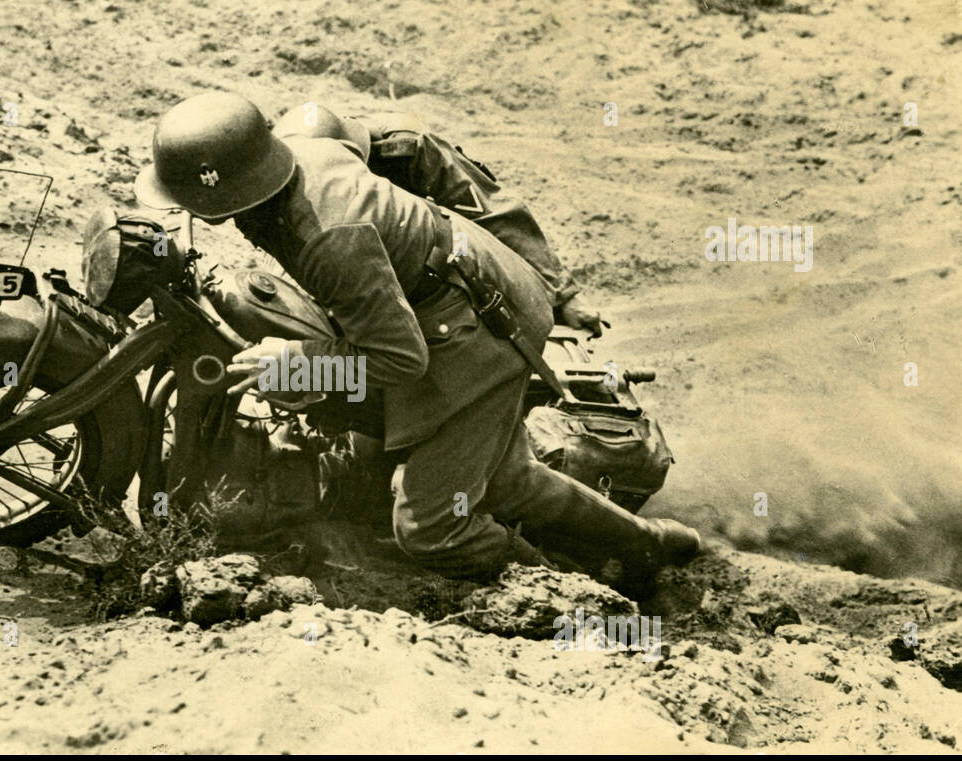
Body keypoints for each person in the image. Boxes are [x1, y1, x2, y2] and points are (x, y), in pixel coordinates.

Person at [134, 91, 700, 585]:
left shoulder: (331, 239)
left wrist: (295, 364)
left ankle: (552, 588)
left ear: (220, 197)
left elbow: (399, 358)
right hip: (464, 293)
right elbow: (407, 148)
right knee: (507, 482)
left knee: (429, 527)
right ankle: (648, 542)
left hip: (480, 337)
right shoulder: (300, 150)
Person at [269, 101, 603, 336]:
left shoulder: (406, 145)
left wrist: (563, 294)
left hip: (457, 267)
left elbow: (492, 210)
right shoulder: (285, 166)